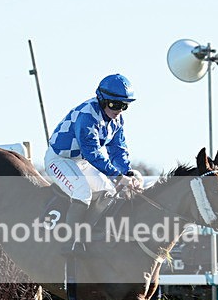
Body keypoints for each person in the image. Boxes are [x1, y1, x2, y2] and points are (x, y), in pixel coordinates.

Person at [45, 74, 144, 253]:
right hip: (59, 160)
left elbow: (118, 150)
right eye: (115, 104)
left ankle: (88, 235)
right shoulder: (87, 116)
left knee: (108, 190)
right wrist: (117, 176)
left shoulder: (117, 120)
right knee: (82, 191)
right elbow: (93, 152)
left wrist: (126, 172)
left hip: (81, 162)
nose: (119, 110)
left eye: (125, 106)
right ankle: (70, 242)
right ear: (102, 100)